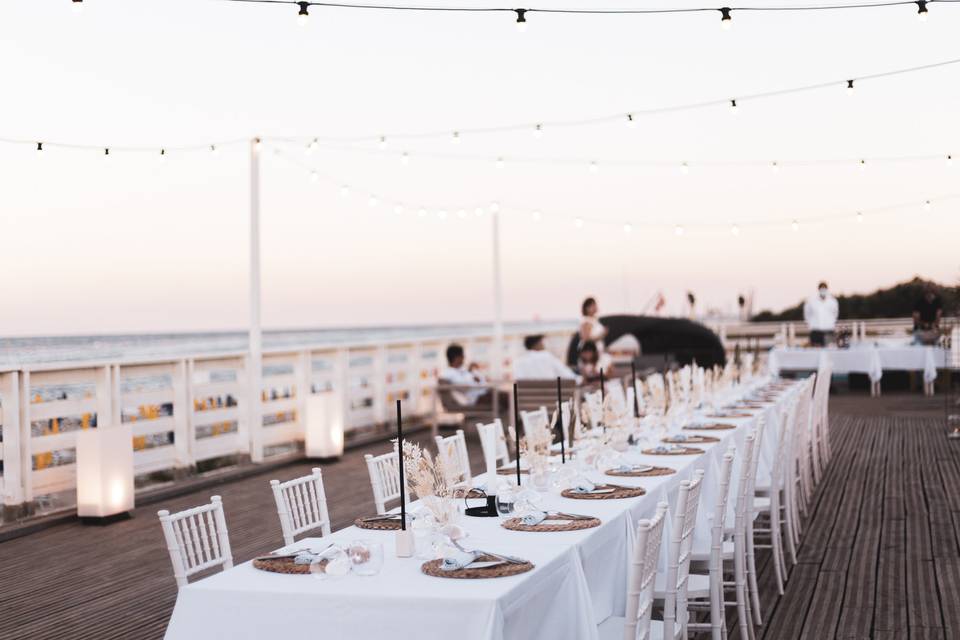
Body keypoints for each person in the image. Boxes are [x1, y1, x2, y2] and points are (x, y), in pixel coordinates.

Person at [513, 335, 580, 381]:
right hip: (550, 400)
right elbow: (568, 376)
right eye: (542, 343)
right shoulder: (547, 357)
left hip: (526, 401)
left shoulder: (518, 362)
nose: (544, 345)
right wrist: (581, 379)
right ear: (537, 344)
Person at [803, 281, 839, 347]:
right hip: (815, 330)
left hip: (829, 329)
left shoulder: (833, 301)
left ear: (827, 289)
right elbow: (807, 314)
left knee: (830, 350)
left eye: (824, 288)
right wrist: (810, 324)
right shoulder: (811, 301)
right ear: (818, 289)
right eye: (821, 288)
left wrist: (831, 323)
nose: (823, 290)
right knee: (815, 351)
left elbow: (835, 314)